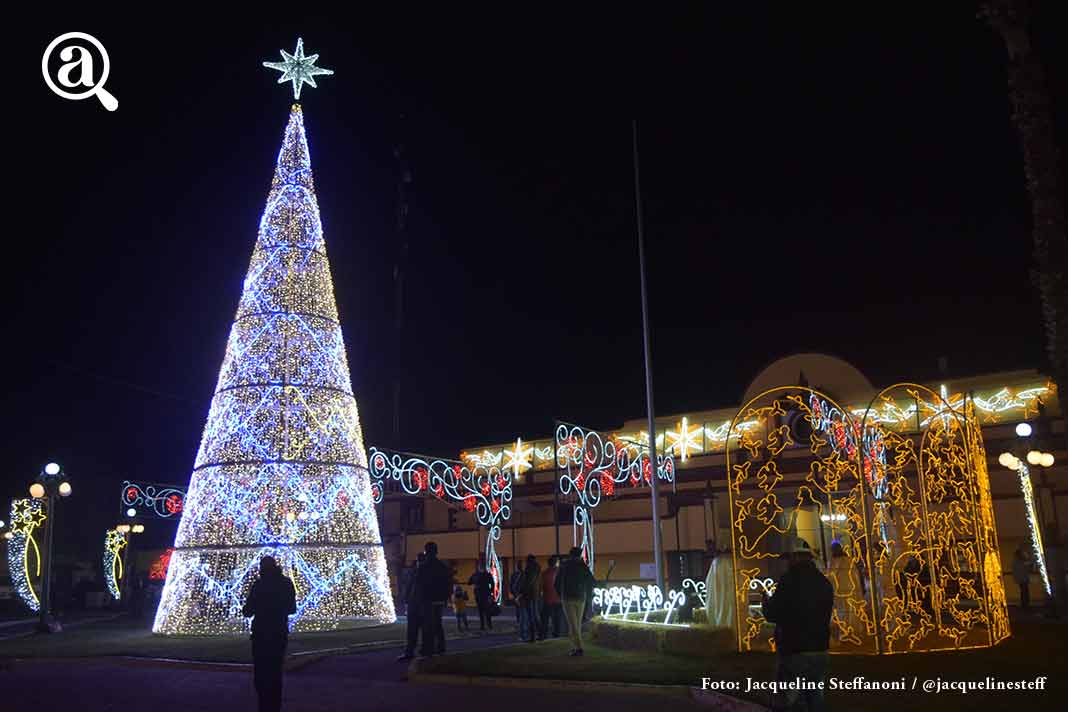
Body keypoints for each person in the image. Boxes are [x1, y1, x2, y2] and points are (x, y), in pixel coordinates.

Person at [761, 536, 833, 712]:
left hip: (794, 649)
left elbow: (773, 614)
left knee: (790, 700)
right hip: (819, 648)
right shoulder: (824, 583)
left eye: (789, 558)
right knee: (815, 699)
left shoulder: (788, 581)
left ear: (794, 557)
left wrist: (766, 602)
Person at [241, 556, 297, 712]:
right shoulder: (286, 583)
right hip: (279, 632)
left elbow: (248, 611)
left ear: (262, 568)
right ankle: (274, 707)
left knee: (261, 673)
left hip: (261, 633)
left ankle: (264, 706)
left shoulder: (259, 585)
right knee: (275, 673)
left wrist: (255, 607)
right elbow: (292, 608)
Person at [554, 547, 596, 656]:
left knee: (573, 625)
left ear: (570, 555)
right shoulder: (583, 566)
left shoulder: (564, 566)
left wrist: (561, 594)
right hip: (580, 597)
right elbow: (591, 581)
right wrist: (586, 593)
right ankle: (576, 647)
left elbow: (557, 583)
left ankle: (578, 648)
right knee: (576, 624)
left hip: (568, 598)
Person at [416, 542, 452, 656]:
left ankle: (428, 647)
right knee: (437, 623)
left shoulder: (423, 567)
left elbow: (419, 584)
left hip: (427, 599)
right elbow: (448, 583)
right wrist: (446, 597)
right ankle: (441, 646)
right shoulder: (442, 566)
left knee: (427, 624)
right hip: (439, 599)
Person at [397, 553, 425, 662]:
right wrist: (406, 600)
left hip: (422, 603)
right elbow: (408, 586)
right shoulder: (413, 572)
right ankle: (410, 651)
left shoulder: (423, 572)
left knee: (424, 628)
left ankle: (423, 651)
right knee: (412, 629)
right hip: (413, 603)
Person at [518, 554, 542, 642]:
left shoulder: (530, 569)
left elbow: (528, 582)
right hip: (535, 594)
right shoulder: (537, 569)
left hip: (529, 595)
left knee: (531, 615)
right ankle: (540, 634)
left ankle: (533, 636)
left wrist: (522, 592)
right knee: (535, 614)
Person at [540, 555, 564, 638]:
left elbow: (542, 586)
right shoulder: (560, 572)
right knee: (557, 618)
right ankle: (556, 634)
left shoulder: (544, 573)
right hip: (558, 599)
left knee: (545, 618)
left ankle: (544, 634)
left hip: (547, 599)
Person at [468, 562, 495, 630]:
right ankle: (488, 625)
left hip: (479, 594)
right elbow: (492, 584)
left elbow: (469, 582)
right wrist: (491, 592)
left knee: (481, 611)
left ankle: (483, 625)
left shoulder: (476, 574)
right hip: (485, 594)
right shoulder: (487, 574)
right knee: (486, 610)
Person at [1012, 544, 1033, 611]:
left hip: (1021, 579)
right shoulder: (1021, 562)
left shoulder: (1016, 562)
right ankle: (1025, 605)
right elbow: (1028, 566)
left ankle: (1024, 604)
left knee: (1023, 591)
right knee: (1025, 591)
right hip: (1023, 579)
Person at [509, 560, 525, 636]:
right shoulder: (523, 574)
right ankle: (521, 621)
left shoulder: (515, 574)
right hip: (520, 594)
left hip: (518, 594)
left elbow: (511, 584)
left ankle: (520, 621)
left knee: (519, 608)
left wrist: (513, 592)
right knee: (520, 608)